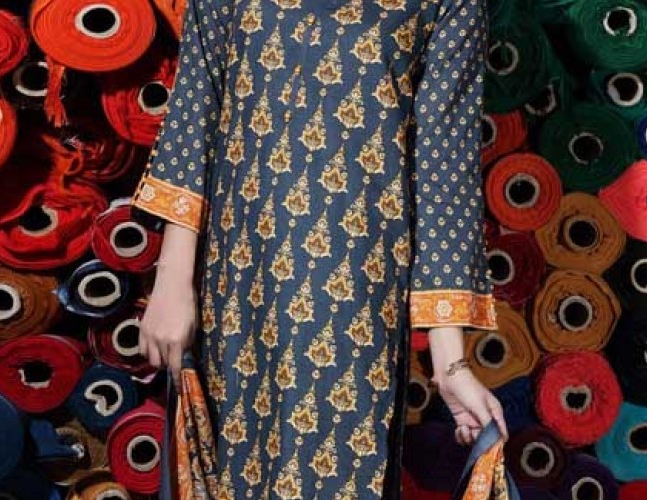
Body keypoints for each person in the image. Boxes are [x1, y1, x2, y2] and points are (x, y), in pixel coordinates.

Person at [131, 0, 506, 497]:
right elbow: (196, 113)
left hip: (355, 300)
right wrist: (172, 281)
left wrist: (450, 363)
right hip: (239, 290)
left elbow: (445, 170)